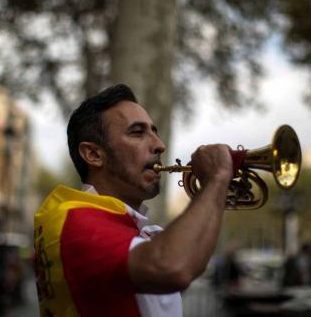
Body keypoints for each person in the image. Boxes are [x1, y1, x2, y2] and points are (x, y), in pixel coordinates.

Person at [34, 84, 235, 317]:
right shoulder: (72, 219)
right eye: (137, 132)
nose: (159, 145)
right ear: (94, 154)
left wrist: (214, 188)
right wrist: (217, 179)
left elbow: (193, 260)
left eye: (154, 131)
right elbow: (174, 267)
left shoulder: (126, 226)